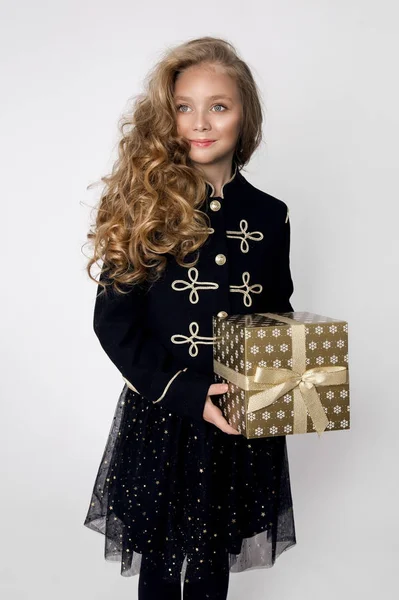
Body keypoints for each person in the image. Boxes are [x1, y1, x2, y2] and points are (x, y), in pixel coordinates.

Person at [83, 36, 297, 599]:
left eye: (219, 105)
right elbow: (114, 324)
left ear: (244, 114)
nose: (200, 121)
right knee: (160, 565)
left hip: (236, 422)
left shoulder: (271, 216)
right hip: (166, 415)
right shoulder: (146, 204)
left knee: (209, 568)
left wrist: (287, 387)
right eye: (184, 106)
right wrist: (181, 391)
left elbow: (277, 314)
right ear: (167, 115)